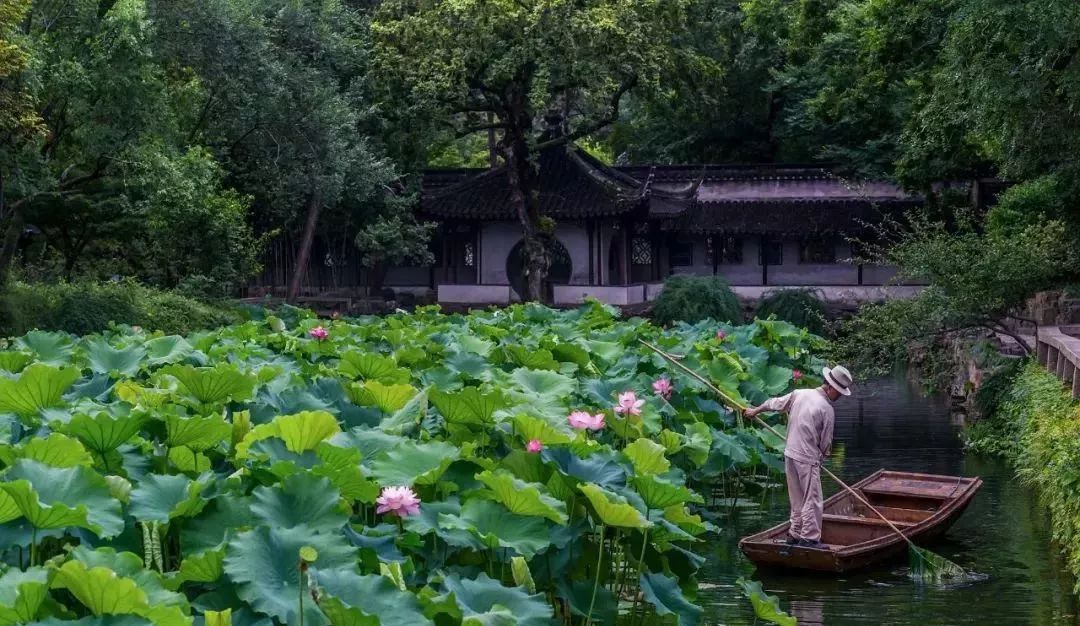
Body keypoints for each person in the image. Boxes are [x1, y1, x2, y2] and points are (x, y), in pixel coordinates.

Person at [745, 365, 853, 549]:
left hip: (790, 454)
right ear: (830, 387)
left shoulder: (800, 393)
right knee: (812, 499)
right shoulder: (826, 409)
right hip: (807, 459)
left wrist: (755, 410)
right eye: (839, 392)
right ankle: (809, 538)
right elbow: (826, 444)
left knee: (796, 497)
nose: (840, 396)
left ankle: (794, 533)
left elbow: (775, 403)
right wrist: (822, 458)